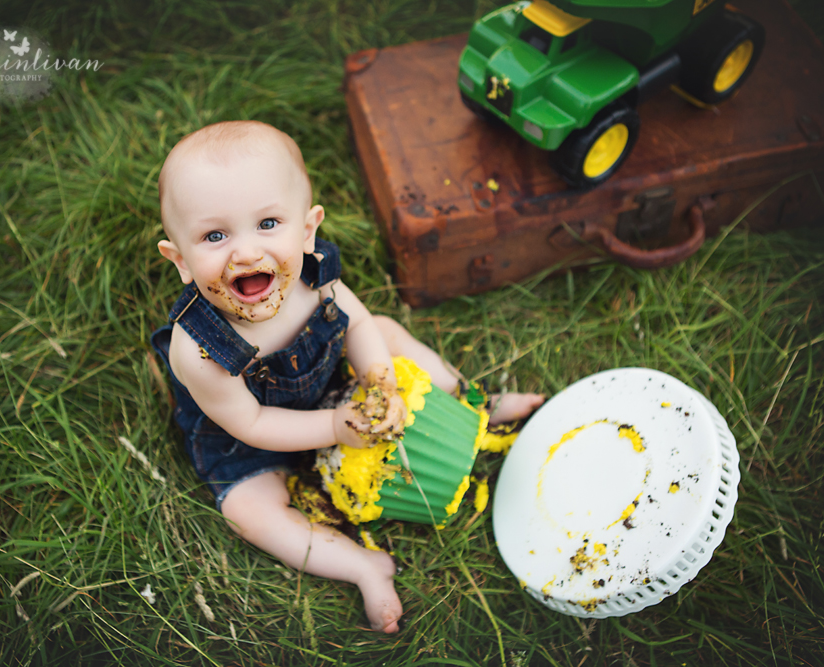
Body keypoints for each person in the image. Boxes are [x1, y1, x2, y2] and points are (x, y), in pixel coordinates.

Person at [151, 120, 544, 633]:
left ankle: (474, 401)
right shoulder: (199, 347)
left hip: (326, 379)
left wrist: (380, 383)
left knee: (383, 331)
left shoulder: (312, 274)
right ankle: (361, 566)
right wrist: (336, 428)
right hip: (250, 438)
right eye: (215, 235)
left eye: (268, 224)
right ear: (180, 260)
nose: (246, 253)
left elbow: (356, 323)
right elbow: (249, 422)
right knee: (247, 510)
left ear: (308, 230)